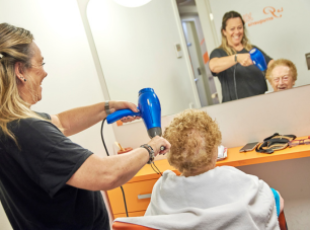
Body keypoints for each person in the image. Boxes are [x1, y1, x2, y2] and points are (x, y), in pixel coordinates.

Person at [0, 23, 171, 230]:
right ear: (20, 71)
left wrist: (108, 107)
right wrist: (152, 147)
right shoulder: (28, 130)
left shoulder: (8, 125)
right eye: (40, 63)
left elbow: (62, 122)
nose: (45, 73)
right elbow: (106, 174)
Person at [114, 109, 284, 229]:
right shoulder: (235, 179)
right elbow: (273, 202)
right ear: (214, 149)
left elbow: (150, 224)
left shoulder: (162, 188)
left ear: (172, 155)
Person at [209, 11, 274, 103]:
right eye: (232, 29)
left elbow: (272, 65)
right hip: (235, 108)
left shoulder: (252, 49)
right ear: (224, 31)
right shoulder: (219, 52)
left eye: (240, 28)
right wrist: (237, 58)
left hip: (262, 103)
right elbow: (213, 66)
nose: (237, 32)